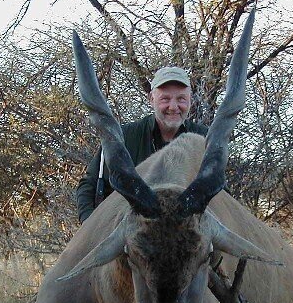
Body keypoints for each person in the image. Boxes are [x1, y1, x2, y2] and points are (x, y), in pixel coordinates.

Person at [76, 66, 208, 222]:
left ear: (190, 100)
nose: (173, 107)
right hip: (130, 234)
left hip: (189, 236)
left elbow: (222, 198)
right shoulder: (123, 137)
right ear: (151, 99)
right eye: (165, 99)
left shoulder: (204, 138)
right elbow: (88, 186)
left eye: (181, 99)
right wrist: (89, 226)